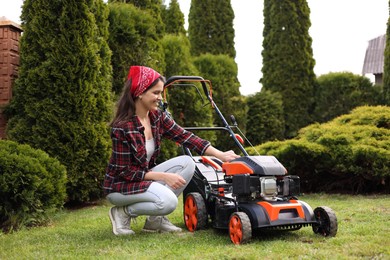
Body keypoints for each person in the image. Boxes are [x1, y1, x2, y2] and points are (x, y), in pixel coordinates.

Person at [103, 66, 240, 236]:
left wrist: (219, 154)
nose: (160, 98)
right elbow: (125, 172)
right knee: (168, 202)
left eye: (161, 93)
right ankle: (122, 213)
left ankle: (155, 221)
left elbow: (185, 136)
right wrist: (163, 176)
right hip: (120, 187)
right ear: (139, 93)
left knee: (188, 163)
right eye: (155, 93)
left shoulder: (157, 117)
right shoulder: (122, 128)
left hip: (142, 177)